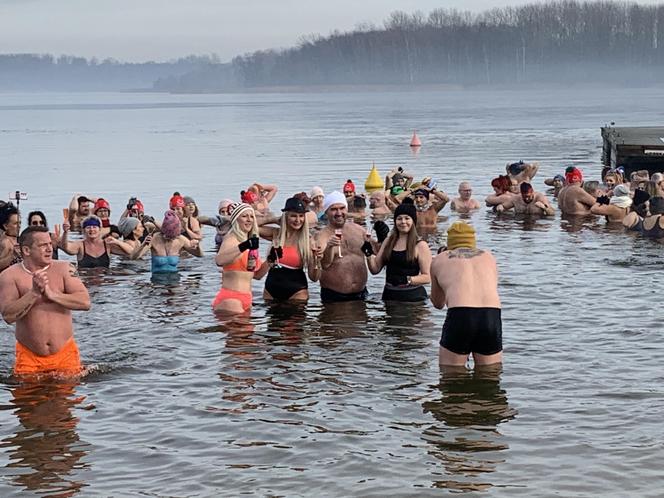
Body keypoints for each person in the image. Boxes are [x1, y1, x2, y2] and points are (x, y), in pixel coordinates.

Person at [0, 225, 91, 376]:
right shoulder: (9, 276)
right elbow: (8, 316)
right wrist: (34, 293)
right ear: (27, 250)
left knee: (67, 398)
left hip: (65, 352)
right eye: (43, 245)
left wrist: (53, 295)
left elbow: (85, 302)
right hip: (29, 355)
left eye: (50, 244)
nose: (49, 249)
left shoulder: (65, 269)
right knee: (28, 398)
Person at [430, 222, 502, 366]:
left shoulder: (440, 259)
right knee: (490, 378)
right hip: (491, 316)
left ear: (450, 242)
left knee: (451, 377)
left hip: (460, 314)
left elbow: (438, 303)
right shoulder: (489, 257)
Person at [365, 200, 431, 302]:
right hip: (389, 297)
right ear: (395, 221)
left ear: (413, 221)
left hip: (412, 299)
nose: (403, 222)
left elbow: (427, 277)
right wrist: (368, 254)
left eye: (407, 218)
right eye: (399, 219)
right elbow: (375, 270)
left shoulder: (420, 245)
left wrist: (408, 280)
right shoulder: (388, 241)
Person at [213, 203, 270, 313]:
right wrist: (244, 246)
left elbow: (257, 275)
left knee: (247, 330)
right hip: (230, 299)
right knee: (242, 330)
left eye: (251, 216)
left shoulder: (250, 243)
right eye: (244, 216)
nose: (249, 220)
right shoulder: (231, 239)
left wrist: (270, 260)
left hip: (246, 299)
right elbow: (219, 260)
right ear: (236, 220)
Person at [315, 191, 370, 303]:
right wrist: (329, 247)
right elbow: (323, 265)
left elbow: (377, 253)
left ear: (347, 209)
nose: (339, 213)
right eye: (334, 209)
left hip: (361, 294)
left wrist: (383, 237)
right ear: (326, 213)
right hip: (334, 297)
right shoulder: (322, 236)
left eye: (342, 208)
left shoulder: (359, 230)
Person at [262, 197, 319, 302]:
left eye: (301, 216)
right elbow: (251, 227)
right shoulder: (276, 234)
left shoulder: (309, 240)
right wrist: (272, 219)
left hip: (297, 291)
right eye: (293, 216)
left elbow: (314, 278)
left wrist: (316, 260)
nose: (298, 220)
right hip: (270, 290)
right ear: (286, 217)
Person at [133, 211, 201, 273]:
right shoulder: (154, 239)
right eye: (168, 236)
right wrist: (143, 245)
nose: (170, 239)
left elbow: (199, 255)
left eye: (173, 237)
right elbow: (134, 257)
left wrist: (197, 246)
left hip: (175, 282)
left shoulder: (181, 239)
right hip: (158, 282)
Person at [0, 202, 22, 273]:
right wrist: (12, 256)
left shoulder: (18, 240)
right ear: (5, 226)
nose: (19, 226)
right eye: (15, 223)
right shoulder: (5, 242)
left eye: (20, 223)